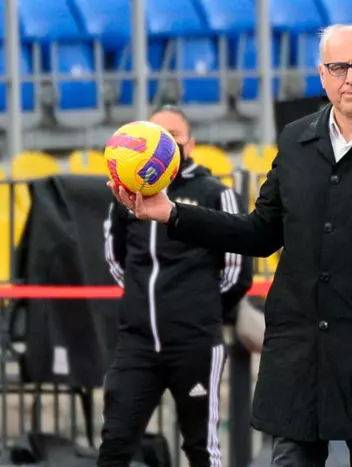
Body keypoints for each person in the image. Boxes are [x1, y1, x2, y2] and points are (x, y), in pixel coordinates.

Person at [108, 23, 352, 467]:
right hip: (298, 356)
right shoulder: (296, 140)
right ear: (322, 75)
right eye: (338, 67)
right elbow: (261, 231)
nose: (351, 78)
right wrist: (172, 213)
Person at [100, 105, 253, 466]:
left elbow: (237, 272)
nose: (162, 144)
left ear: (191, 144)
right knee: (115, 443)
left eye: (172, 137)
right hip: (137, 344)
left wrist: (199, 310)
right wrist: (143, 300)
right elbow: (116, 259)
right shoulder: (127, 196)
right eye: (155, 136)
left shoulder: (214, 193)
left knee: (201, 448)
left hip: (195, 344)